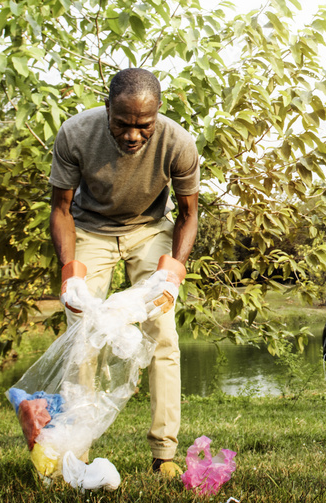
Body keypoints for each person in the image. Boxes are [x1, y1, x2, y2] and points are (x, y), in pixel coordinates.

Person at [48, 67, 200, 477]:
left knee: (163, 333)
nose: (133, 135)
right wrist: (70, 273)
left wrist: (173, 272)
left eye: (143, 125)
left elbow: (189, 214)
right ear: (107, 108)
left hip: (150, 230)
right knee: (82, 332)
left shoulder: (178, 142)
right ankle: (76, 447)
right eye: (123, 124)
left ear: (158, 114)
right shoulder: (75, 134)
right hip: (91, 230)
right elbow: (61, 210)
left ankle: (164, 453)